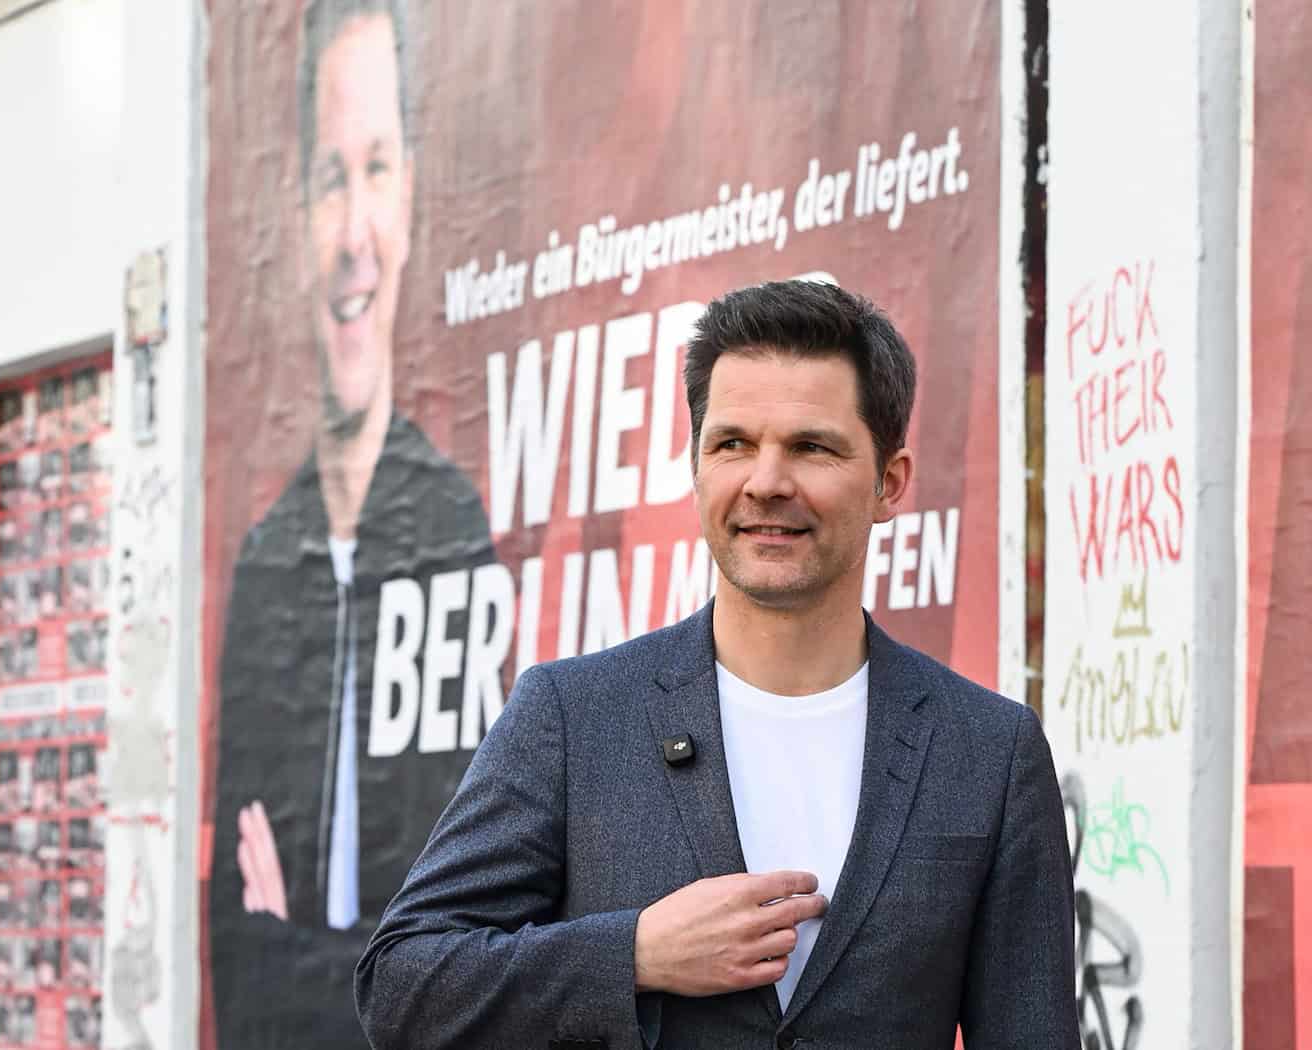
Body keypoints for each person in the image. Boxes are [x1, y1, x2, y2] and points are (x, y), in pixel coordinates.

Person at [357, 280, 1078, 1049]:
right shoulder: (573, 716)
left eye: (811, 446)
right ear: (697, 469)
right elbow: (402, 984)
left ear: (889, 483)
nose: (767, 481)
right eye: (733, 444)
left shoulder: (989, 751)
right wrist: (633, 954)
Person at [208, 1, 495, 1046]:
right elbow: (235, 970)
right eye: (331, 179)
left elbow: (466, 966)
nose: (355, 238)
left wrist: (300, 953)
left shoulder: (458, 527)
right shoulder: (262, 569)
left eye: (377, 168)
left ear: (413, 196)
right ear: (295, 216)